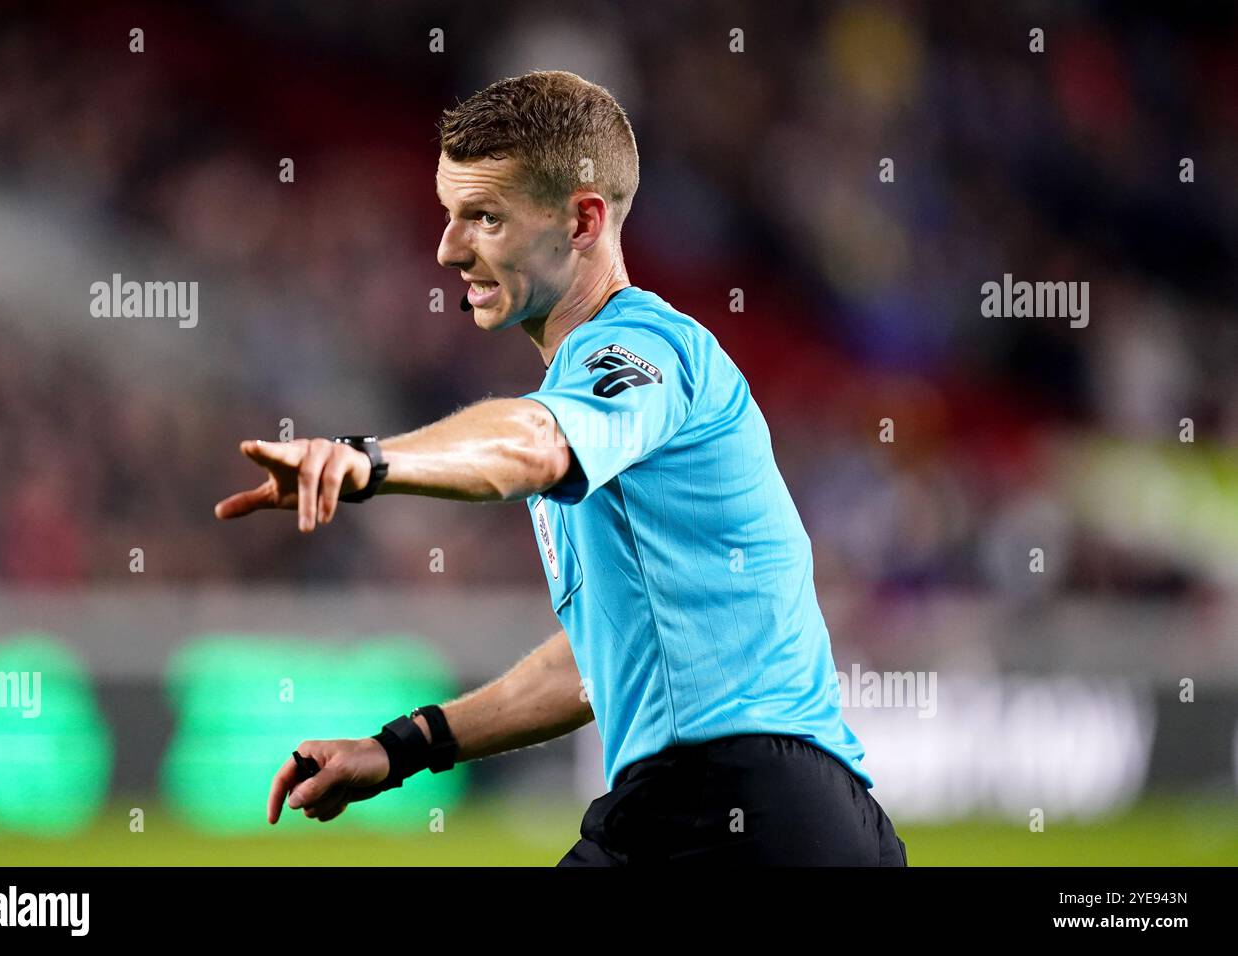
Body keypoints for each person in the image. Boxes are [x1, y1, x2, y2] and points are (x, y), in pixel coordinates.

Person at [214, 69, 906, 866]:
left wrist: (367, 462)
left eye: (484, 217)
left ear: (582, 221)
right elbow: (592, 666)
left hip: (728, 808)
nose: (447, 249)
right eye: (450, 215)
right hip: (801, 823)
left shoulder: (642, 351)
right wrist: (403, 748)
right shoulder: (603, 401)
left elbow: (532, 444)